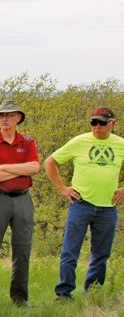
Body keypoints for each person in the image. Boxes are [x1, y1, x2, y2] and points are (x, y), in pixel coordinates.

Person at [44, 107, 124, 300]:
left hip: (108, 207)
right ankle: (64, 293)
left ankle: (93, 294)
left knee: (101, 254)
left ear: (113, 123)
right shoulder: (79, 141)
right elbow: (50, 162)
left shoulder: (120, 144)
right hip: (81, 204)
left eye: (102, 123)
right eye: (94, 123)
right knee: (70, 251)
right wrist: (63, 188)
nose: (97, 127)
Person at [0, 99, 40, 306]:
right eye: (1, 116)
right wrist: (18, 169)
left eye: (9, 115)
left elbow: (34, 168)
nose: (4, 119)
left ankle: (20, 297)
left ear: (18, 118)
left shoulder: (28, 141)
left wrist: (3, 168)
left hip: (23, 199)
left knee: (22, 248)